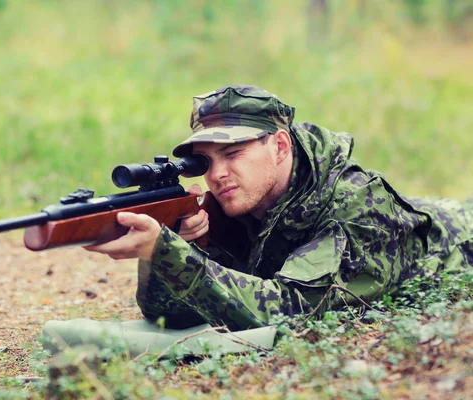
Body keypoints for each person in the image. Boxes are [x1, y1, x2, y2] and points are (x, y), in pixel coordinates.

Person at [41, 84, 473, 355]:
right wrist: (179, 246)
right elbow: (166, 316)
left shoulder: (359, 210)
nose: (217, 174)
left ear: (280, 147)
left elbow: (288, 311)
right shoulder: (242, 204)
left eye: (233, 154)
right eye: (205, 162)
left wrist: (166, 251)